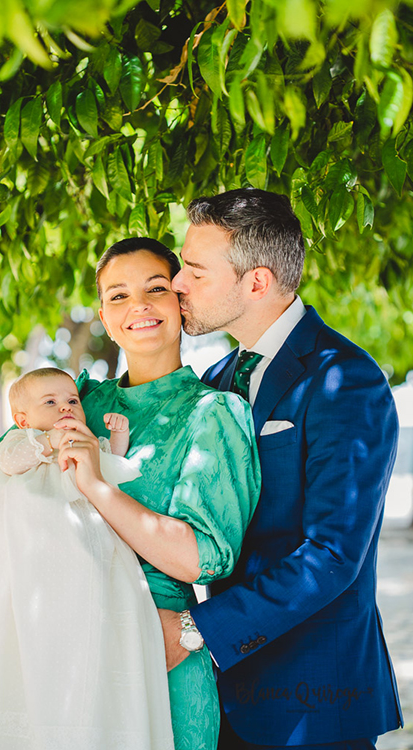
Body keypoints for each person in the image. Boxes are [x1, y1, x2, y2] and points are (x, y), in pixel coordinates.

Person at [0, 238, 262, 750]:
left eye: (156, 289)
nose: (139, 306)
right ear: (102, 312)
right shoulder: (77, 397)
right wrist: (36, 453)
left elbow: (204, 559)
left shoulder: (213, 413)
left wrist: (97, 488)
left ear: (181, 302)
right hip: (66, 642)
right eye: (118, 296)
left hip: (158, 645)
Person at [165, 187, 403, 750]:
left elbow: (332, 556)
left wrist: (198, 632)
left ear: (256, 282)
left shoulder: (346, 381)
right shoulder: (216, 381)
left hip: (314, 704)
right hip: (224, 698)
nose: (178, 284)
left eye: (195, 272)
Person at [0, 366, 175, 749]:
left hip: (89, 543)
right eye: (50, 402)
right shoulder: (25, 440)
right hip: (41, 549)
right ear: (23, 419)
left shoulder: (87, 441)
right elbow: (7, 462)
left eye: (72, 400)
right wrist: (47, 443)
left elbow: (112, 464)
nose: (66, 408)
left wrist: (116, 437)